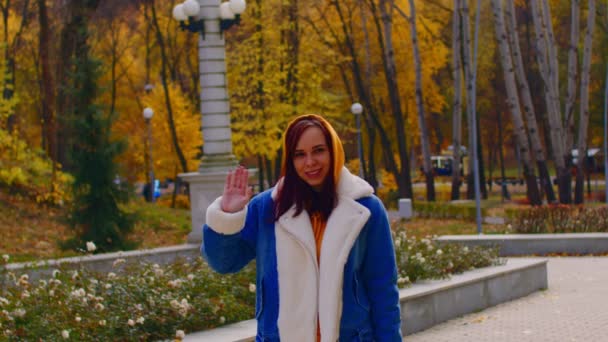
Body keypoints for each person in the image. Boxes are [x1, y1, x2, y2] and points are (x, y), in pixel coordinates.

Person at [202, 114, 402, 341]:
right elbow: (224, 263)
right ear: (290, 159)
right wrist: (228, 215)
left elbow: (383, 289)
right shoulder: (267, 207)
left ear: (334, 151)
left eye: (318, 150)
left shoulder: (366, 208)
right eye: (299, 154)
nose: (310, 162)